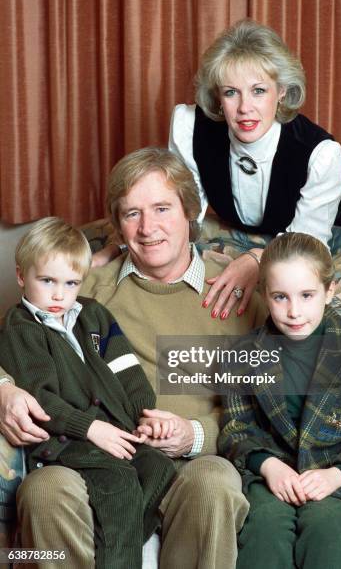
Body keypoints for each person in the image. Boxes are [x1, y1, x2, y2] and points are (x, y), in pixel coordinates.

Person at [16, 148, 266, 569]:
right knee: (44, 489)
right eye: (132, 213)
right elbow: (16, 334)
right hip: (94, 460)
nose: (148, 228)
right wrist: (4, 390)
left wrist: (195, 434)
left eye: (162, 208)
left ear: (190, 211)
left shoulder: (238, 291)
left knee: (215, 482)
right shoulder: (83, 289)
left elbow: (276, 402)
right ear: (117, 225)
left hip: (192, 466)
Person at [0, 217, 176, 569]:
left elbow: (127, 369)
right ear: (22, 276)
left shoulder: (93, 315)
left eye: (70, 283)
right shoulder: (22, 329)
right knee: (120, 482)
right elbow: (41, 399)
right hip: (66, 438)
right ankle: (121, 559)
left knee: (158, 467)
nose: (57, 294)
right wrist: (91, 428)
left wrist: (144, 416)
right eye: (46, 280)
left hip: (114, 433)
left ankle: (111, 546)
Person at [168, 19, 341, 319]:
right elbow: (185, 207)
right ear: (217, 97)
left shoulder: (321, 154)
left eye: (259, 90)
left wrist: (255, 259)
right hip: (257, 226)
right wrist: (124, 246)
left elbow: (308, 242)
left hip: (337, 223)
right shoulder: (190, 127)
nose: (244, 108)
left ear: (282, 92)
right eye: (231, 93)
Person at [218, 232, 341, 569]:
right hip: (272, 478)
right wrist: (268, 467)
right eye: (280, 297)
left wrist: (338, 475)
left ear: (330, 292)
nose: (294, 311)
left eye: (307, 295)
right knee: (265, 528)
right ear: (263, 295)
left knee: (326, 528)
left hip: (335, 479)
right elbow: (235, 431)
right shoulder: (241, 356)